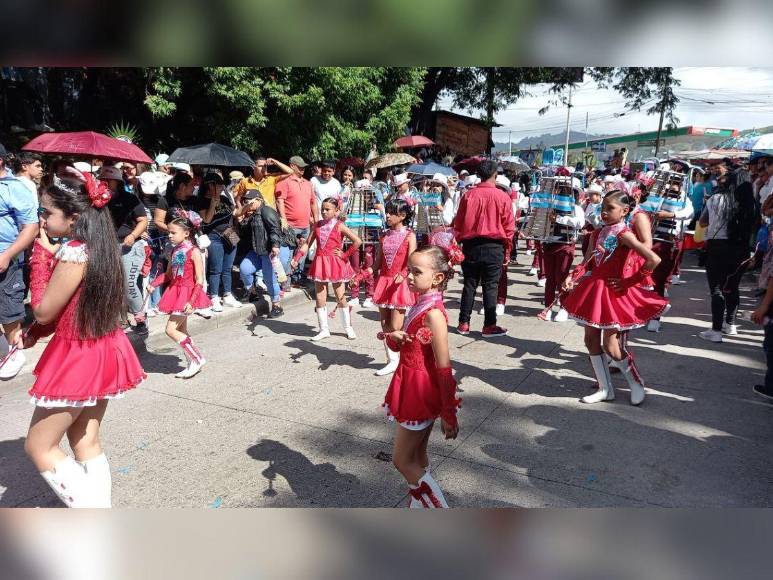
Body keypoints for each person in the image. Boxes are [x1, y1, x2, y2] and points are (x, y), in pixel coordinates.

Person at [22, 175, 145, 508]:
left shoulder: (76, 251)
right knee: (85, 439)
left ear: (73, 218)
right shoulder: (102, 244)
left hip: (78, 356)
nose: (42, 220)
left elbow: (44, 310)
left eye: (46, 213)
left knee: (39, 446)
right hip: (102, 346)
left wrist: (40, 260)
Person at [560, 190, 667, 405]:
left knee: (611, 345)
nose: (604, 213)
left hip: (613, 292)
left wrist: (630, 281)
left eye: (610, 208)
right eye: (602, 209)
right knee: (590, 339)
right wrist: (573, 276)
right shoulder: (596, 233)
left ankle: (636, 383)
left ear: (625, 211)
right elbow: (588, 261)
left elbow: (653, 259)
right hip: (593, 289)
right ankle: (604, 388)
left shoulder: (624, 234)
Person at [381, 245, 460, 508]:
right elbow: (404, 345)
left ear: (437, 278)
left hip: (419, 392)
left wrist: (449, 413)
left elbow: (444, 366)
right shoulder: (418, 305)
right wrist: (394, 336)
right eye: (408, 271)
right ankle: (420, 507)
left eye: (416, 272)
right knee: (418, 458)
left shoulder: (434, 314)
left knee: (402, 461)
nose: (410, 277)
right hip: (411, 384)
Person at [452, 160, 514, 337]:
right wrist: (507, 250)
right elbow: (509, 228)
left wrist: (458, 242)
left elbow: (459, 222)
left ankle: (463, 323)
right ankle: (489, 325)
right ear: (495, 175)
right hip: (494, 247)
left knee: (469, 285)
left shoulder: (468, 195)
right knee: (491, 286)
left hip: (470, 245)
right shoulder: (502, 197)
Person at [149, 212, 212, 378]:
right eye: (168, 232)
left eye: (173, 232)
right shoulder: (175, 251)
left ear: (186, 233)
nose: (169, 235)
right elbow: (169, 275)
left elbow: (200, 280)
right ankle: (192, 362)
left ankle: (197, 358)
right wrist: (153, 284)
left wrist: (192, 301)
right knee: (182, 330)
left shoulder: (194, 252)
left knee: (170, 330)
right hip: (175, 292)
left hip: (187, 294)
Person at [698, 168, 756, 343]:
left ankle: (716, 330)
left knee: (716, 288)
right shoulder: (751, 203)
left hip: (718, 248)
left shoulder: (716, 199)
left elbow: (702, 222)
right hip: (741, 250)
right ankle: (730, 324)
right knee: (732, 286)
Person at [360, 198, 417, 376]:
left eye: (392, 213)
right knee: (385, 324)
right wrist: (360, 275)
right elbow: (377, 264)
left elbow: (412, 261)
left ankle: (403, 358)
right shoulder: (383, 236)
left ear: (402, 216)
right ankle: (392, 360)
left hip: (399, 285)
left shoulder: (410, 236)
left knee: (396, 325)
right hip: (384, 282)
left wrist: (405, 273)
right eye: (388, 212)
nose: (389, 215)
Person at [291, 198, 361, 341]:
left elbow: (357, 241)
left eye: (327, 209)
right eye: (322, 208)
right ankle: (324, 329)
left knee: (340, 296)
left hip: (335, 263)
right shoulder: (316, 225)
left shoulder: (340, 225)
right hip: (320, 262)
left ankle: (348, 328)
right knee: (320, 296)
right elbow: (307, 244)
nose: (323, 211)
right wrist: (297, 258)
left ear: (336, 211)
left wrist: (345, 254)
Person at [100, 165, 150, 337]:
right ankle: (117, 320)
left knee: (129, 284)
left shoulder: (129, 198)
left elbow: (143, 220)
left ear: (117, 181)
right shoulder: (97, 200)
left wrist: (133, 234)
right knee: (111, 286)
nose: (104, 183)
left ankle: (141, 319)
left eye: (108, 180)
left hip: (130, 246)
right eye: (102, 180)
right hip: (107, 247)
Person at [540, 179, 585, 322]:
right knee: (550, 279)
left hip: (565, 245)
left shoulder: (575, 208)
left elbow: (579, 223)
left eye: (562, 190)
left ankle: (564, 308)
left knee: (562, 278)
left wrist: (559, 219)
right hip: (549, 244)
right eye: (557, 189)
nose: (558, 192)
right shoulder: (549, 206)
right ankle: (547, 307)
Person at [237, 191, 286, 317]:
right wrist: (241, 220)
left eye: (249, 201)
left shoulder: (266, 211)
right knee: (244, 269)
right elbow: (245, 232)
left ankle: (277, 306)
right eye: (245, 201)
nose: (247, 204)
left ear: (258, 199)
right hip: (256, 251)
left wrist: (275, 245)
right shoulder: (253, 214)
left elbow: (275, 229)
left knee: (270, 279)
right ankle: (252, 292)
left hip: (267, 251)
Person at [198, 171, 241, 311]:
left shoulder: (225, 198)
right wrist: (212, 202)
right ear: (210, 185)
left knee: (228, 268)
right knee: (215, 269)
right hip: (214, 236)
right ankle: (214, 296)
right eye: (219, 185)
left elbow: (234, 213)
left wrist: (245, 206)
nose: (222, 187)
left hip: (230, 233)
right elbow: (207, 219)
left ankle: (228, 294)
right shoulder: (201, 200)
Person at [275, 156, 318, 285]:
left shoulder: (307, 183)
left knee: (302, 253)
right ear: (292, 166)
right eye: (299, 166)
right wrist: (283, 219)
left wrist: (316, 218)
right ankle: (286, 281)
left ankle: (298, 277)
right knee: (287, 254)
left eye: (304, 167)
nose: (302, 169)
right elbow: (280, 201)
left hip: (305, 225)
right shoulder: (284, 182)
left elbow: (313, 202)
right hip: (290, 224)